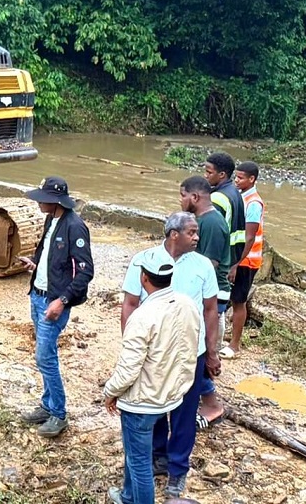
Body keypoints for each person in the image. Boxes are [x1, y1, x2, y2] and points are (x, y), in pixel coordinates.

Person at [120, 212, 219, 499]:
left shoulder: (203, 266)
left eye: (197, 232)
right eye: (192, 232)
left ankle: (178, 470)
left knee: (185, 413)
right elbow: (129, 303)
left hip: (191, 353)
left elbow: (210, 309)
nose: (197, 237)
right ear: (173, 234)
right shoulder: (144, 260)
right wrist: (130, 344)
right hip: (153, 353)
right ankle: (158, 456)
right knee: (154, 406)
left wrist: (212, 352)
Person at [103, 254, 200, 504]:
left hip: (142, 402)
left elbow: (128, 369)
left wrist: (110, 392)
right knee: (135, 455)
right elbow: (190, 348)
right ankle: (127, 496)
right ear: (169, 277)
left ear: (144, 278)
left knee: (139, 463)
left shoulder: (142, 316)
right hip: (171, 395)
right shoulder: (187, 304)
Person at [19, 176, 94, 438]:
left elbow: (85, 272)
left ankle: (59, 414)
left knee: (45, 357)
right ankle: (47, 405)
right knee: (44, 354)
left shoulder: (75, 227)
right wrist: (35, 263)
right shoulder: (51, 220)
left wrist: (62, 301)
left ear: (55, 201)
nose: (39, 203)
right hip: (38, 296)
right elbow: (49, 255)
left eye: (43, 199)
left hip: (53, 303)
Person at [179, 176, 229, 428]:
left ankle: (211, 403)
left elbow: (209, 265)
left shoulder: (210, 223)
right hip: (203, 295)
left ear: (194, 197)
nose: (180, 201)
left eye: (182, 195)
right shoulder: (204, 221)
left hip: (212, 297)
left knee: (199, 350)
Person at [224, 161, 266, 358]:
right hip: (237, 258)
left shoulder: (253, 203)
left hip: (246, 261)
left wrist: (235, 264)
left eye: (241, 178)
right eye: (236, 177)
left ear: (252, 179)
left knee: (238, 301)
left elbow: (249, 237)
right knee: (230, 297)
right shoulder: (241, 197)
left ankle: (234, 345)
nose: (237, 181)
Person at [204, 152, 246, 270]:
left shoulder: (217, 198)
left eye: (209, 172)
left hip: (220, 258)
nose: (205, 175)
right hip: (232, 256)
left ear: (222, 174)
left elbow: (213, 232)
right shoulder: (234, 191)